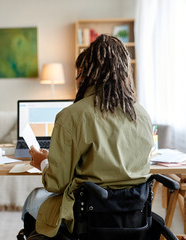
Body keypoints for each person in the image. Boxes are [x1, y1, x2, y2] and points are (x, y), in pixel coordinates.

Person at [19, 34, 154, 239]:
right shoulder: (141, 114)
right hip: (133, 219)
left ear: (87, 71)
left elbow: (56, 184)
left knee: (32, 200)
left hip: (87, 218)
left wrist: (43, 162)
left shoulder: (72, 115)